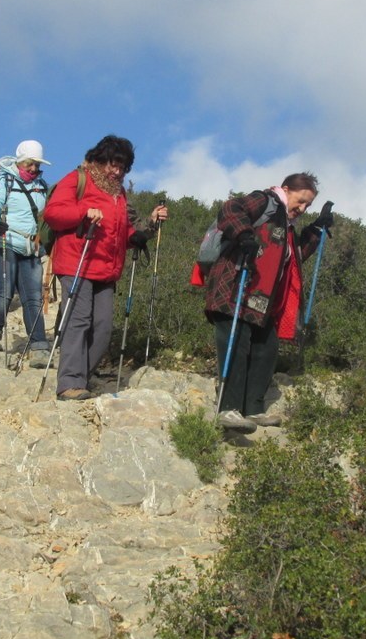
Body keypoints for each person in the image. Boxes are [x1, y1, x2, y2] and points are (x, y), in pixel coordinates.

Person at [199, 172, 332, 432]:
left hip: (261, 300)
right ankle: (228, 409)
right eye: (301, 201)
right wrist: (244, 234)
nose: (302, 208)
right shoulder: (265, 202)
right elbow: (230, 208)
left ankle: (253, 408)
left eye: (308, 206)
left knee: (266, 349)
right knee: (235, 346)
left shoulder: (287, 224)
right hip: (234, 288)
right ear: (286, 189)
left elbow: (294, 257)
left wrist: (317, 227)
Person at [43, 135, 168, 400]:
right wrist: (84, 212)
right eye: (113, 164)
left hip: (107, 270)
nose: (117, 171)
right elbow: (53, 214)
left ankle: (82, 377)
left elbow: (122, 232)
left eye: (122, 167)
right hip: (77, 262)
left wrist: (146, 228)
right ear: (100, 160)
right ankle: (69, 383)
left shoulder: (119, 195)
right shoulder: (78, 179)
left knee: (102, 327)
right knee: (78, 321)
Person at [0, 141, 52, 366]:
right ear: (20, 161)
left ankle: (39, 346)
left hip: (30, 247)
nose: (33, 169)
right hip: (4, 241)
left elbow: (45, 215)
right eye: (30, 164)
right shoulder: (4, 180)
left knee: (33, 297)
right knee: (3, 293)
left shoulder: (42, 185)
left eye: (37, 165)